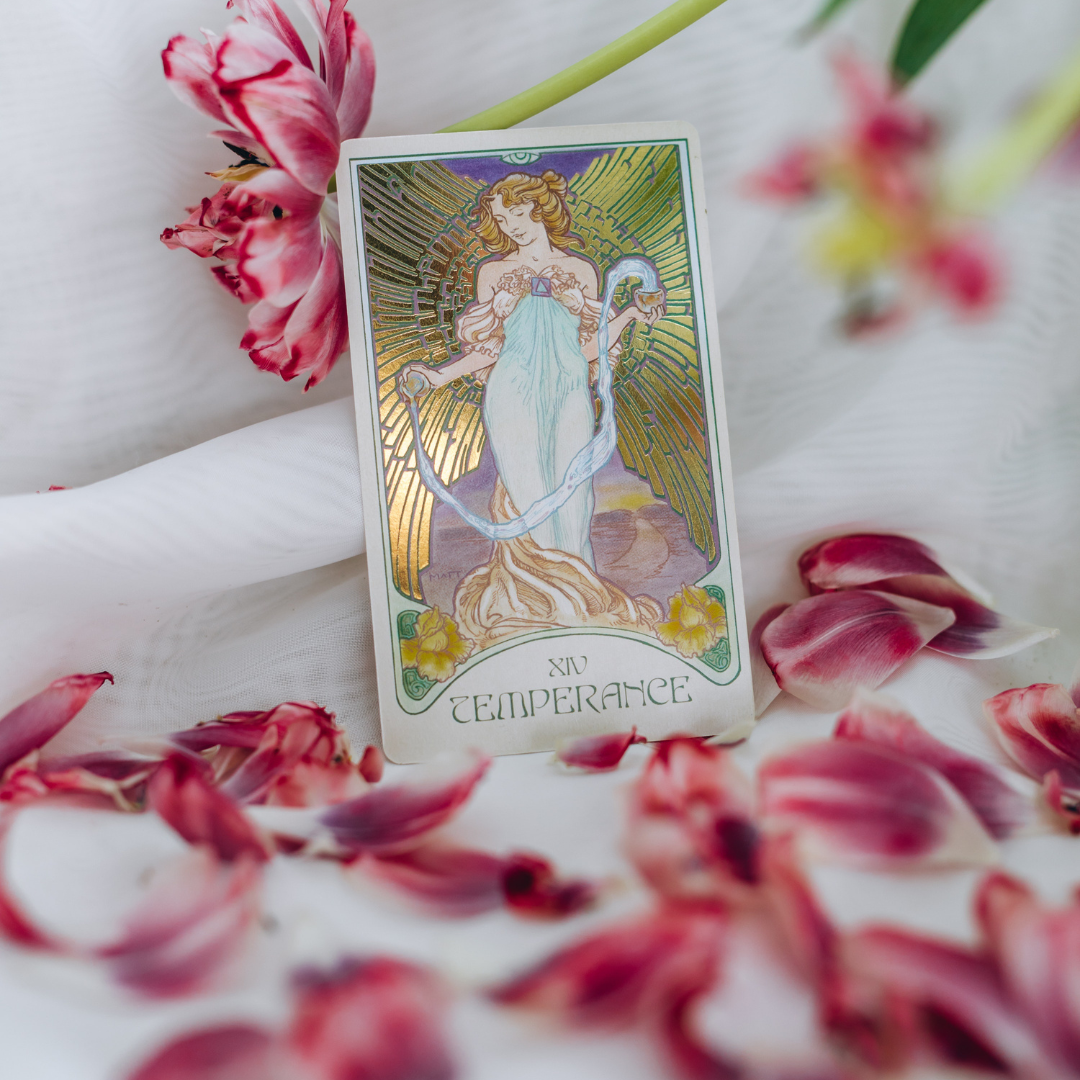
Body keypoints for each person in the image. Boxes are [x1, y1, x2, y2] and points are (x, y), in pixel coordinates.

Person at [400, 170, 665, 648]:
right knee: (527, 493)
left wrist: (626, 314)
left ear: (539, 207)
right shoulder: (493, 275)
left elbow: (590, 352)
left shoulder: (581, 271)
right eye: (502, 219)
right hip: (512, 394)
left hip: (568, 393)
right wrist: (438, 375)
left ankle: (575, 606)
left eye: (518, 212)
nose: (512, 225)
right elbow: (490, 352)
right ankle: (534, 606)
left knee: (573, 498)